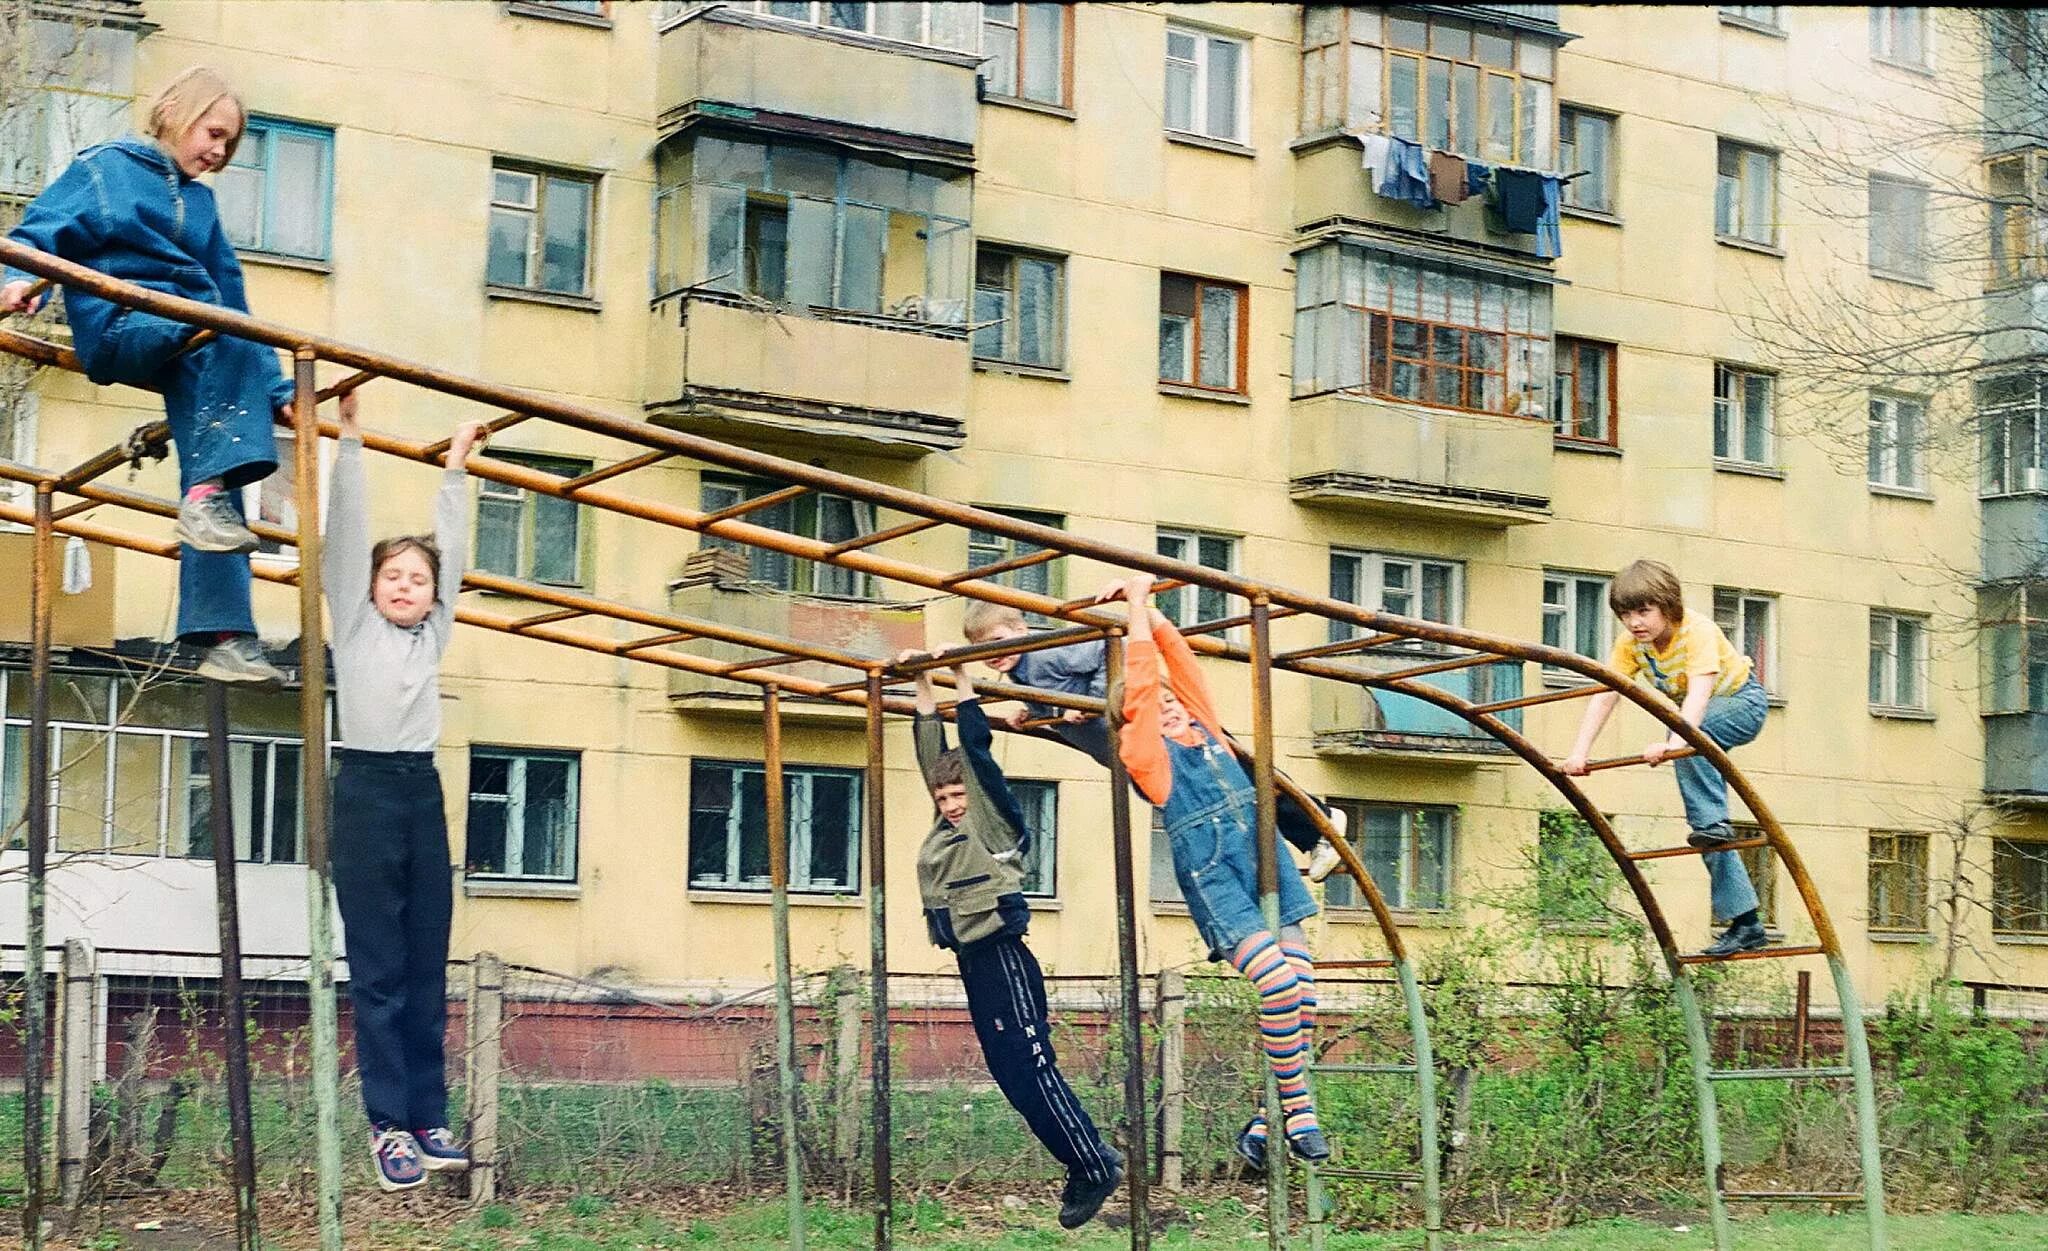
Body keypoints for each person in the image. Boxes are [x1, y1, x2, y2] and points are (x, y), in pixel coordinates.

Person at [1, 66, 299, 686]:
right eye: (214, 134)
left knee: (213, 452)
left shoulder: (202, 203)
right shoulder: (106, 169)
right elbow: (37, 233)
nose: (218, 152)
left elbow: (233, 296)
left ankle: (225, 634)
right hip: (122, 322)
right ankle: (203, 504)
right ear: (176, 113)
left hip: (191, 334)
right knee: (221, 343)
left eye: (229, 145)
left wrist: (279, 390)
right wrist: (14, 283)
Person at [1107, 574, 1330, 1169]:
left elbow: (1177, 659)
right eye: (1157, 702)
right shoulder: (1145, 759)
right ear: (1135, 715)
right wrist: (1132, 610)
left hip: (1266, 862)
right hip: (1217, 882)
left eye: (1173, 700)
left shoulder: (1209, 731)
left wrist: (1150, 611)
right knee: (1278, 985)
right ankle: (1298, 1107)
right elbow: (1148, 680)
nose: (1171, 703)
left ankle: (1265, 1120)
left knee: (1304, 994)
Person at [899, 648, 1125, 1228]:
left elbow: (973, 752)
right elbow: (934, 753)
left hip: (1003, 959)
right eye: (943, 799)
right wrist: (922, 681)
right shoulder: (945, 829)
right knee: (1011, 1076)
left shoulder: (991, 824)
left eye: (957, 798)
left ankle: (1094, 1163)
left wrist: (959, 675)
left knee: (1031, 1067)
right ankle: (1085, 1161)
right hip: (975, 964)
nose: (951, 806)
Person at [325, 387, 487, 1190]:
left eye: (417, 578)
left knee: (426, 963)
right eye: (392, 574)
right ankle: (388, 1126)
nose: (405, 585)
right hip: (362, 788)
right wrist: (349, 441)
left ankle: (429, 1117)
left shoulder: (433, 636)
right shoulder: (352, 625)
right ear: (371, 585)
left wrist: (457, 469)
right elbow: (344, 536)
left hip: (420, 792)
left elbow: (455, 553)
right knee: (379, 966)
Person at [960, 600, 1347, 882]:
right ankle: (1292, 847)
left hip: (1166, 732)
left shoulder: (1047, 650)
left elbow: (1108, 651)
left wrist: (1095, 703)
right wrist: (1034, 713)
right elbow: (1061, 703)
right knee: (1219, 801)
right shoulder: (1020, 673)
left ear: (1021, 631)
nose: (994, 657)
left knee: (1242, 780)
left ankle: (1321, 824)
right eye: (985, 652)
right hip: (1141, 758)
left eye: (998, 642)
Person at [1557, 560, 1774, 959]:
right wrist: (1579, 751)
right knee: (1708, 829)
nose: (1634, 623)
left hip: (1741, 705)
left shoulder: (1698, 631)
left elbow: (1698, 695)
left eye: (1643, 611)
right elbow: (1607, 693)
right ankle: (1746, 921)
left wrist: (1675, 741)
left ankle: (1711, 823)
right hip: (1696, 721)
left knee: (1695, 758)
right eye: (1625, 614)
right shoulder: (1631, 645)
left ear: (1667, 605)